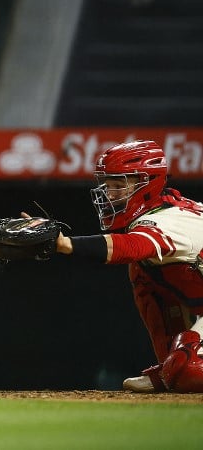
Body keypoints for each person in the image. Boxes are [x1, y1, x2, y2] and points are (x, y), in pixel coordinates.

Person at [50, 140, 203, 393]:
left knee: (188, 370)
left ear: (148, 184)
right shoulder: (167, 209)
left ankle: (177, 368)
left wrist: (66, 244)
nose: (110, 195)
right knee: (142, 269)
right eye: (107, 185)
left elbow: (129, 247)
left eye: (119, 185)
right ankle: (170, 367)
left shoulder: (167, 221)